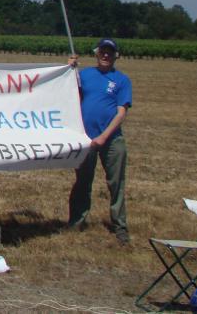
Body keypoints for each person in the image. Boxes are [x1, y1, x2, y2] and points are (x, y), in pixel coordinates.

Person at [68, 38, 133, 244]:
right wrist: (69, 68)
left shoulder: (122, 80)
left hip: (112, 140)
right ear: (96, 54)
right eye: (102, 52)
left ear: (116, 56)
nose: (106, 55)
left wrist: (104, 136)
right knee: (83, 182)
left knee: (116, 183)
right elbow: (67, 90)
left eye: (110, 52)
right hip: (86, 139)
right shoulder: (85, 75)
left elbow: (121, 112)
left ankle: (120, 226)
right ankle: (77, 221)